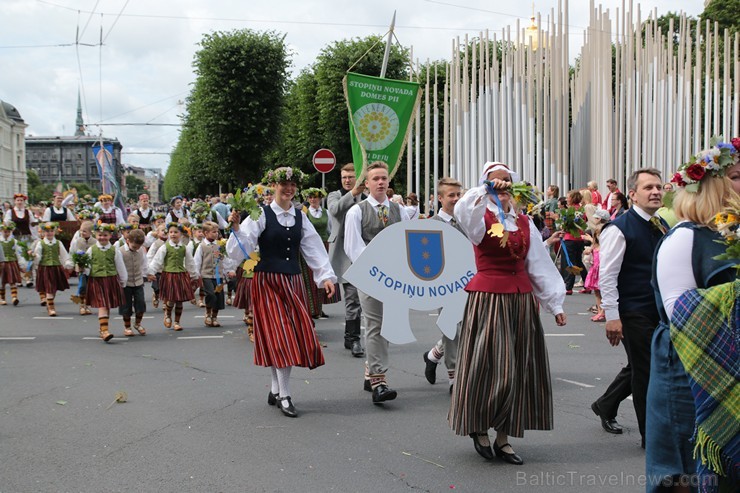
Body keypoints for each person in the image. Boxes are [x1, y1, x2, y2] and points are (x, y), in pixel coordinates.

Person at [449, 161, 566, 465]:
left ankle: (504, 436)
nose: (501, 187)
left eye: (506, 182)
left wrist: (555, 304)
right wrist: (485, 188)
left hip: (521, 302)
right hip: (489, 299)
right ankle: (478, 425)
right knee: (490, 367)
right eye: (494, 182)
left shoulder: (524, 222)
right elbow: (463, 210)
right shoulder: (480, 217)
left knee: (518, 370)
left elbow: (539, 264)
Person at [647, 139, 740, 492]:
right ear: (714, 185)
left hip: (731, 363)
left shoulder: (733, 234)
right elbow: (680, 312)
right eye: (736, 175)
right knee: (684, 467)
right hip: (689, 366)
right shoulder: (683, 239)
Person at [227, 166, 336, 418]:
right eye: (283, 185)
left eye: (292, 186)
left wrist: (326, 277)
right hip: (268, 283)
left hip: (294, 281)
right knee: (280, 335)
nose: (288, 189)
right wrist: (235, 230)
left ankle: (276, 388)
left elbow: (313, 247)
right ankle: (285, 394)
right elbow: (240, 249)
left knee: (287, 335)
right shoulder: (261, 215)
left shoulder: (300, 216)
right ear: (274, 187)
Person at [594, 168, 666, 448]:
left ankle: (605, 404)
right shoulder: (619, 228)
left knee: (640, 364)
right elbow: (608, 276)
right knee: (648, 369)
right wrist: (612, 317)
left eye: (658, 186)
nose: (656, 191)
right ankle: (652, 435)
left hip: (657, 309)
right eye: (648, 187)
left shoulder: (660, 224)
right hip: (633, 309)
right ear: (633, 195)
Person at [344, 162, 411, 404]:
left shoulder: (399, 211)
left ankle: (370, 370)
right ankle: (379, 382)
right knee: (374, 325)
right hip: (370, 275)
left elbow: (406, 239)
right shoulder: (357, 211)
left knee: (388, 326)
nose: (381, 182)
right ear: (368, 184)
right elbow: (352, 247)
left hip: (394, 276)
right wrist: (377, 265)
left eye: (384, 178)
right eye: (376, 179)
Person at [422, 177, 464, 393]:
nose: (456, 199)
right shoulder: (432, 225)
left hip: (469, 283)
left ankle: (433, 355)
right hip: (444, 285)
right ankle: (454, 376)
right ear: (439, 198)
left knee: (467, 328)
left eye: (459, 195)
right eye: (451, 195)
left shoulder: (466, 221)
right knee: (452, 329)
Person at [327, 163, 366, 358]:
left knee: (362, 299)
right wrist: (352, 194)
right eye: (344, 177)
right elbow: (335, 210)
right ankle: (354, 338)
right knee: (353, 297)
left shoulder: (367, 199)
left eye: (351, 177)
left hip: (364, 254)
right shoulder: (334, 195)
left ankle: (351, 335)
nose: (347, 180)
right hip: (344, 254)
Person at [147, 222, 199, 331]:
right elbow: (157, 261)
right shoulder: (164, 247)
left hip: (181, 275)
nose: (173, 234)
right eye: (171, 232)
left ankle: (177, 322)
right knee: (171, 299)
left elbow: (190, 262)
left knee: (179, 300)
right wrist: (151, 272)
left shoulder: (184, 248)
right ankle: (168, 314)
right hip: (169, 275)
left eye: (176, 232)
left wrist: (194, 274)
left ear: (180, 234)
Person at [85, 223, 126, 342]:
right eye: (100, 235)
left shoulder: (114, 250)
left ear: (110, 235)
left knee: (106, 305)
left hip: (110, 280)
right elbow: (88, 265)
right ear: (95, 235)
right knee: (102, 305)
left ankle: (102, 328)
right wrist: (84, 270)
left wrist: (123, 280)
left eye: (105, 235)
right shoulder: (91, 250)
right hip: (97, 280)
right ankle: (105, 331)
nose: (102, 237)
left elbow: (120, 266)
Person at [301, 187, 333, 319]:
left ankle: (319, 308)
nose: (313, 199)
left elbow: (330, 229)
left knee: (323, 277)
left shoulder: (326, 212)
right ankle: (310, 307)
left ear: (320, 198)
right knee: (309, 279)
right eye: (310, 197)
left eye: (315, 197)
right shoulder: (305, 213)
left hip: (324, 245)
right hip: (309, 247)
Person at [33, 222, 73, 316]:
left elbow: (64, 255)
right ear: (43, 233)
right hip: (45, 268)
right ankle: (51, 308)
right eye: (47, 231)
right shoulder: (41, 243)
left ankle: (49, 302)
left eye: (51, 231)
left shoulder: (58, 243)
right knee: (49, 288)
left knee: (53, 288)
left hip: (56, 268)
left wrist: (68, 264)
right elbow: (38, 254)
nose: (49, 233)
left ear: (55, 232)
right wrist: (35, 257)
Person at [193, 221, 226, 327]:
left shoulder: (220, 245)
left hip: (218, 276)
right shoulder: (201, 246)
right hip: (206, 275)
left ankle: (214, 317)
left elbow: (224, 259)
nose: (216, 234)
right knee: (211, 294)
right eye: (213, 232)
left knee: (218, 296)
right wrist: (196, 274)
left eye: (217, 232)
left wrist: (228, 271)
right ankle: (208, 313)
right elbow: (197, 261)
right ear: (206, 233)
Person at [118, 228, 148, 337]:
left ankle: (138, 323)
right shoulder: (120, 251)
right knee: (126, 306)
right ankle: (127, 327)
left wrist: (147, 274)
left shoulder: (141, 250)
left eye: (139, 247)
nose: (137, 249)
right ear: (127, 241)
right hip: (125, 283)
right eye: (134, 246)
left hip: (138, 281)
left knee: (140, 303)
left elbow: (144, 263)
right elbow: (118, 266)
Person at [4, 193, 38, 287]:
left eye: (21, 200)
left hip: (26, 237)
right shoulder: (10, 212)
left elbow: (32, 223)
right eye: (18, 200)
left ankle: (28, 278)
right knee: (17, 258)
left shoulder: (27, 212)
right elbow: (6, 223)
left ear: (24, 202)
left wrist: (36, 227)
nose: (19, 202)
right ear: (15, 201)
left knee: (28, 257)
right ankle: (19, 278)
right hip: (15, 238)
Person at [561, 190, 588, 295]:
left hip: (570, 238)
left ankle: (569, 287)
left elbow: (567, 226)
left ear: (572, 198)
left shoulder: (570, 210)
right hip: (579, 239)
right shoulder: (581, 210)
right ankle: (587, 283)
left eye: (568, 197)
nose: (566, 199)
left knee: (570, 262)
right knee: (578, 262)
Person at [70, 220, 96, 315]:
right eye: (81, 230)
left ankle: (87, 305)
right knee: (82, 286)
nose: (82, 233)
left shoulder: (95, 242)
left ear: (91, 232)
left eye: (84, 231)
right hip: (81, 268)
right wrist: (74, 263)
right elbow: (72, 252)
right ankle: (82, 305)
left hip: (92, 268)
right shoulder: (77, 241)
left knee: (90, 288)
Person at [0, 222, 23, 306]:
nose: (6, 233)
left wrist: (21, 264)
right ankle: (2, 298)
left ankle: (14, 297)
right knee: (2, 282)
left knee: (12, 280)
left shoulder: (14, 241)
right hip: (1, 263)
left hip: (11, 262)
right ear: (1, 231)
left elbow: (18, 252)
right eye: (4, 232)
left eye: (8, 232)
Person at [145, 223, 167, 308]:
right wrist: (150, 269)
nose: (164, 232)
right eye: (162, 230)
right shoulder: (156, 244)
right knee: (157, 287)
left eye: (166, 230)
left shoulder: (170, 243)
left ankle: (165, 302)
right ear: (157, 233)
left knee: (166, 287)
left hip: (166, 269)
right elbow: (150, 255)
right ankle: (156, 295)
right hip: (157, 270)